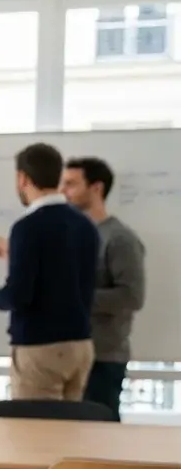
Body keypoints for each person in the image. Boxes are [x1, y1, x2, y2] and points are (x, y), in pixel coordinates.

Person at [0, 143, 98, 400]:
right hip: (80, 346)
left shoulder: (28, 227)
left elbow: (18, 296)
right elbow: (63, 273)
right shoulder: (85, 224)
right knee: (70, 424)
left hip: (41, 349)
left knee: (34, 426)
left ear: (23, 178)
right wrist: (14, 254)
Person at [59, 156, 146, 418]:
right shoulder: (71, 235)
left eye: (71, 184)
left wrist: (75, 299)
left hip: (103, 357)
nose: (63, 191)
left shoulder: (119, 238)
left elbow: (131, 297)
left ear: (96, 188)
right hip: (67, 354)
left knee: (99, 432)